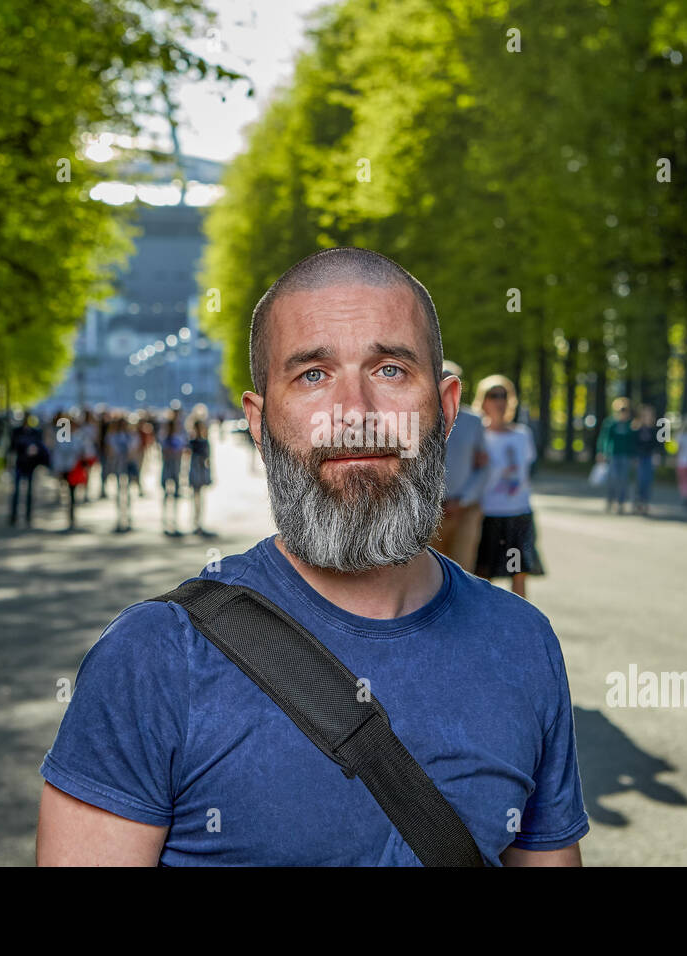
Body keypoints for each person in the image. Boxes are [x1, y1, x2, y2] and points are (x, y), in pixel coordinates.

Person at [37, 247, 587, 866]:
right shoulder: (151, 659)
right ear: (260, 420)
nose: (355, 414)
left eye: (390, 371)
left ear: (447, 406)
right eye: (312, 375)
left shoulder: (523, 643)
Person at [471, 375, 545, 599]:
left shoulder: (523, 435)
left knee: (518, 571)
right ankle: (481, 625)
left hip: (518, 514)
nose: (499, 401)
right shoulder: (479, 435)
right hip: (489, 514)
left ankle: (519, 626)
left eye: (504, 395)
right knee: (484, 574)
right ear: (483, 401)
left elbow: (526, 470)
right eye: (493, 395)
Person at [429, 360, 491, 571]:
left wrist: (463, 500)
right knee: (430, 574)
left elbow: (484, 467)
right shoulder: (417, 419)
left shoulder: (474, 422)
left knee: (462, 570)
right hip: (429, 510)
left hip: (465, 510)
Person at [8, 412, 49, 527]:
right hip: (20, 464)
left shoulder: (35, 433)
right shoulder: (16, 431)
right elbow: (12, 448)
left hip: (31, 465)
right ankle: (14, 515)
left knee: (29, 491)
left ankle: (28, 515)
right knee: (16, 490)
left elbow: (41, 448)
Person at [597, 397, 635, 514]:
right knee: (612, 479)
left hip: (625, 456)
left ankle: (621, 502)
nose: (622, 413)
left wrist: (634, 455)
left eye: (624, 410)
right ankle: (610, 500)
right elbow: (604, 438)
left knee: (623, 480)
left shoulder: (631, 425)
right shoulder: (611, 423)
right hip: (613, 455)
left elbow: (633, 441)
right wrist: (601, 451)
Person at [104, 416, 138, 533]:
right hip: (118, 466)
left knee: (128, 492)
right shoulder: (113, 436)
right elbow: (110, 451)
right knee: (119, 492)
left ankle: (128, 517)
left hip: (127, 466)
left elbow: (134, 451)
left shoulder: (130, 437)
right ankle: (119, 518)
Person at [159, 409, 187, 537]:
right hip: (169, 467)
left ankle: (173, 521)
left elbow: (183, 450)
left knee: (174, 495)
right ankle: (166, 521)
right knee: (166, 494)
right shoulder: (165, 437)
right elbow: (164, 452)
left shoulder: (179, 436)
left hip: (176, 467)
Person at [187, 415, 216, 537]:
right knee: (195, 498)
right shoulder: (192, 442)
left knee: (199, 498)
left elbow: (208, 459)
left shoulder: (204, 442)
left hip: (200, 471)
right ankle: (195, 522)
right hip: (195, 471)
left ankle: (199, 522)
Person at [633, 404, 662, 515]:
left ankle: (645, 502)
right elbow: (634, 444)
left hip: (650, 458)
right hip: (640, 457)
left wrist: (657, 456)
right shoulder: (637, 429)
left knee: (648, 481)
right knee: (640, 480)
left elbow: (658, 445)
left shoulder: (655, 430)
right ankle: (638, 501)